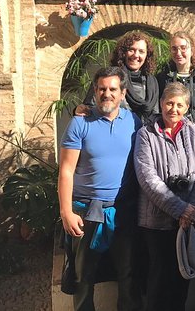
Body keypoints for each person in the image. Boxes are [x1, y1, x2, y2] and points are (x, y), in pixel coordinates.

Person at [58, 67, 142, 311]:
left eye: (113, 89)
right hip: (86, 210)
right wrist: (66, 212)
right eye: (102, 89)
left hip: (123, 210)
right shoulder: (79, 123)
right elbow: (65, 170)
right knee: (84, 275)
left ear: (123, 93)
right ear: (94, 92)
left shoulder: (133, 122)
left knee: (127, 272)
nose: (107, 94)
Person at [134, 82, 195, 311]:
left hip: (188, 220)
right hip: (157, 221)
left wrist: (193, 208)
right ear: (161, 104)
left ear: (187, 107)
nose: (173, 109)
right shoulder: (146, 134)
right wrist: (179, 208)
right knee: (159, 277)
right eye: (169, 103)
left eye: (179, 104)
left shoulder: (194, 132)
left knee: (182, 276)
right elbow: (147, 177)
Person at [77, 31, 159, 123]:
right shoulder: (108, 77)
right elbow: (88, 108)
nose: (136, 55)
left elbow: (155, 115)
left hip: (143, 135)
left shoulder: (153, 83)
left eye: (141, 51)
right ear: (123, 52)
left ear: (147, 55)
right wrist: (80, 109)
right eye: (131, 50)